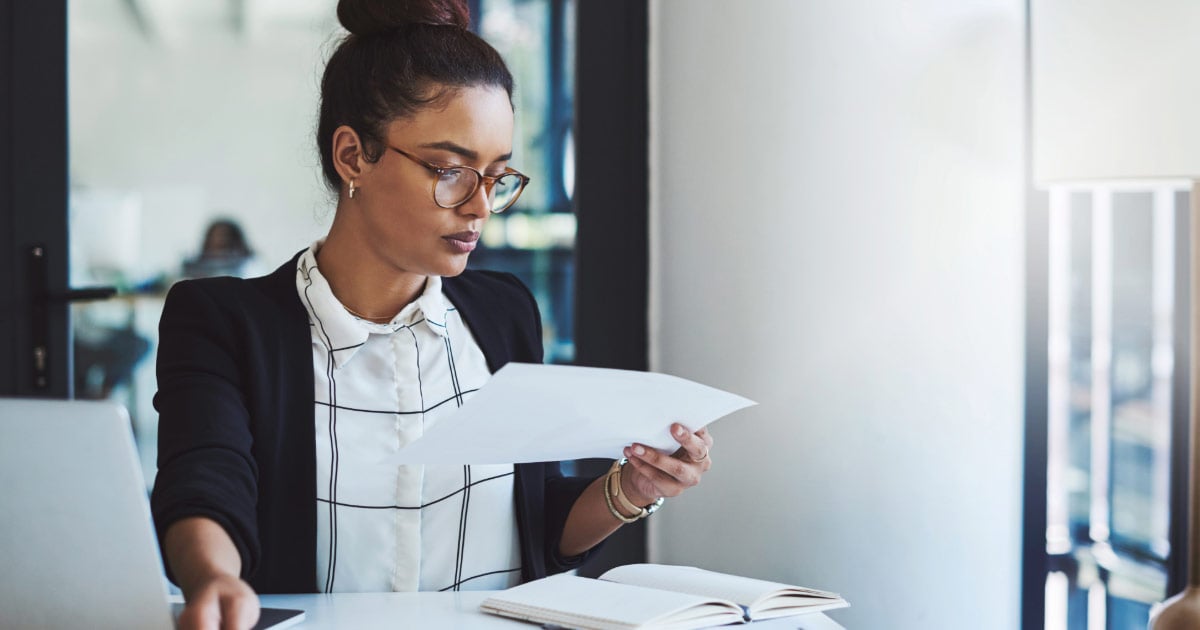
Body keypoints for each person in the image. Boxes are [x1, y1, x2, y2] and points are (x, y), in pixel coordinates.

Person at [149, 1, 715, 629]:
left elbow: (532, 525)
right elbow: (205, 481)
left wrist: (633, 490)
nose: (479, 207)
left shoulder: (504, 313)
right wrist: (215, 578)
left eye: (496, 177)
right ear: (353, 156)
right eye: (450, 171)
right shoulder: (225, 321)